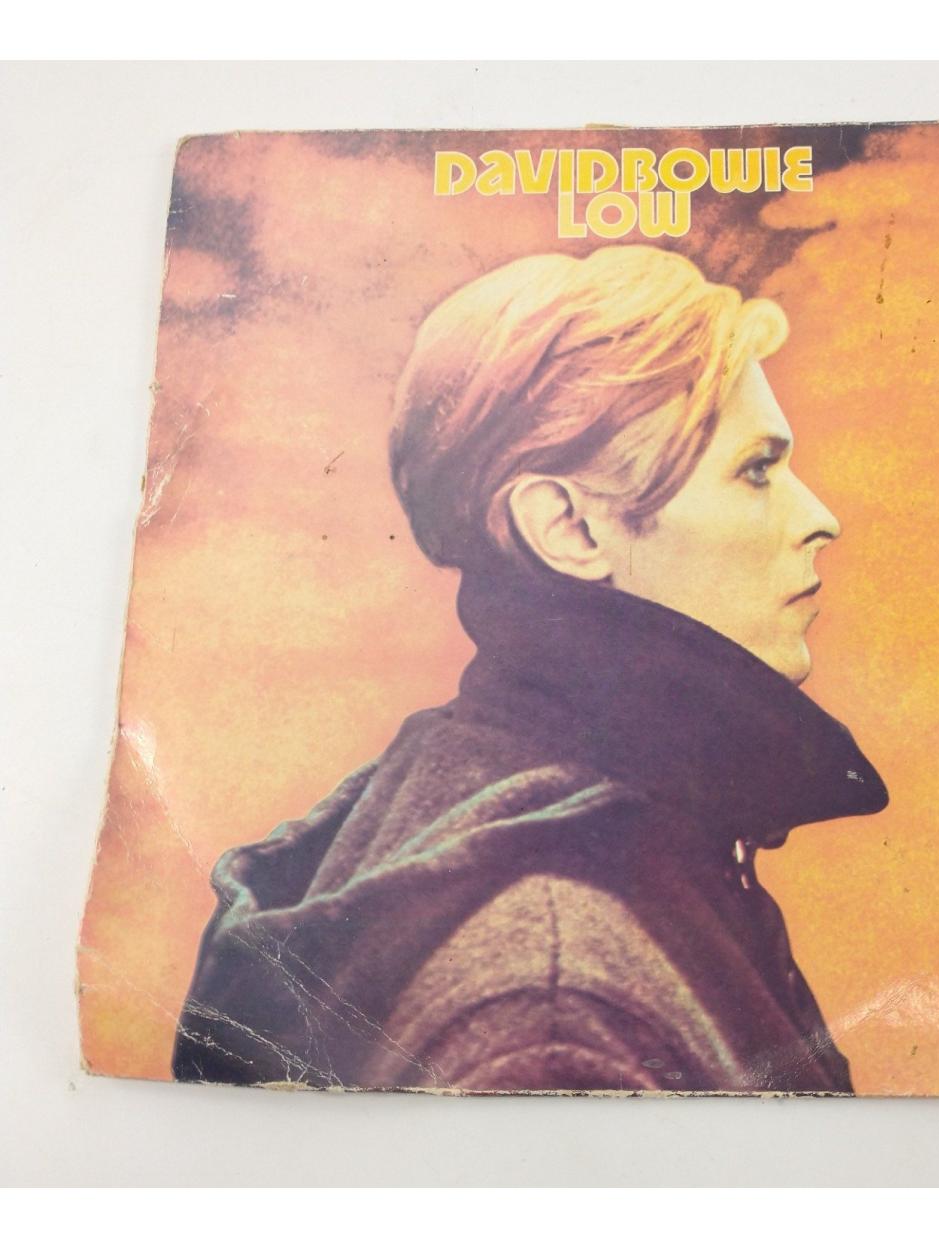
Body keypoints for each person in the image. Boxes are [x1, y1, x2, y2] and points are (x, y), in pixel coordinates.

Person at [172, 245, 888, 1094]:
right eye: (757, 470)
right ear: (568, 529)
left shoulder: (516, 799)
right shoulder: (555, 1002)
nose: (821, 518)